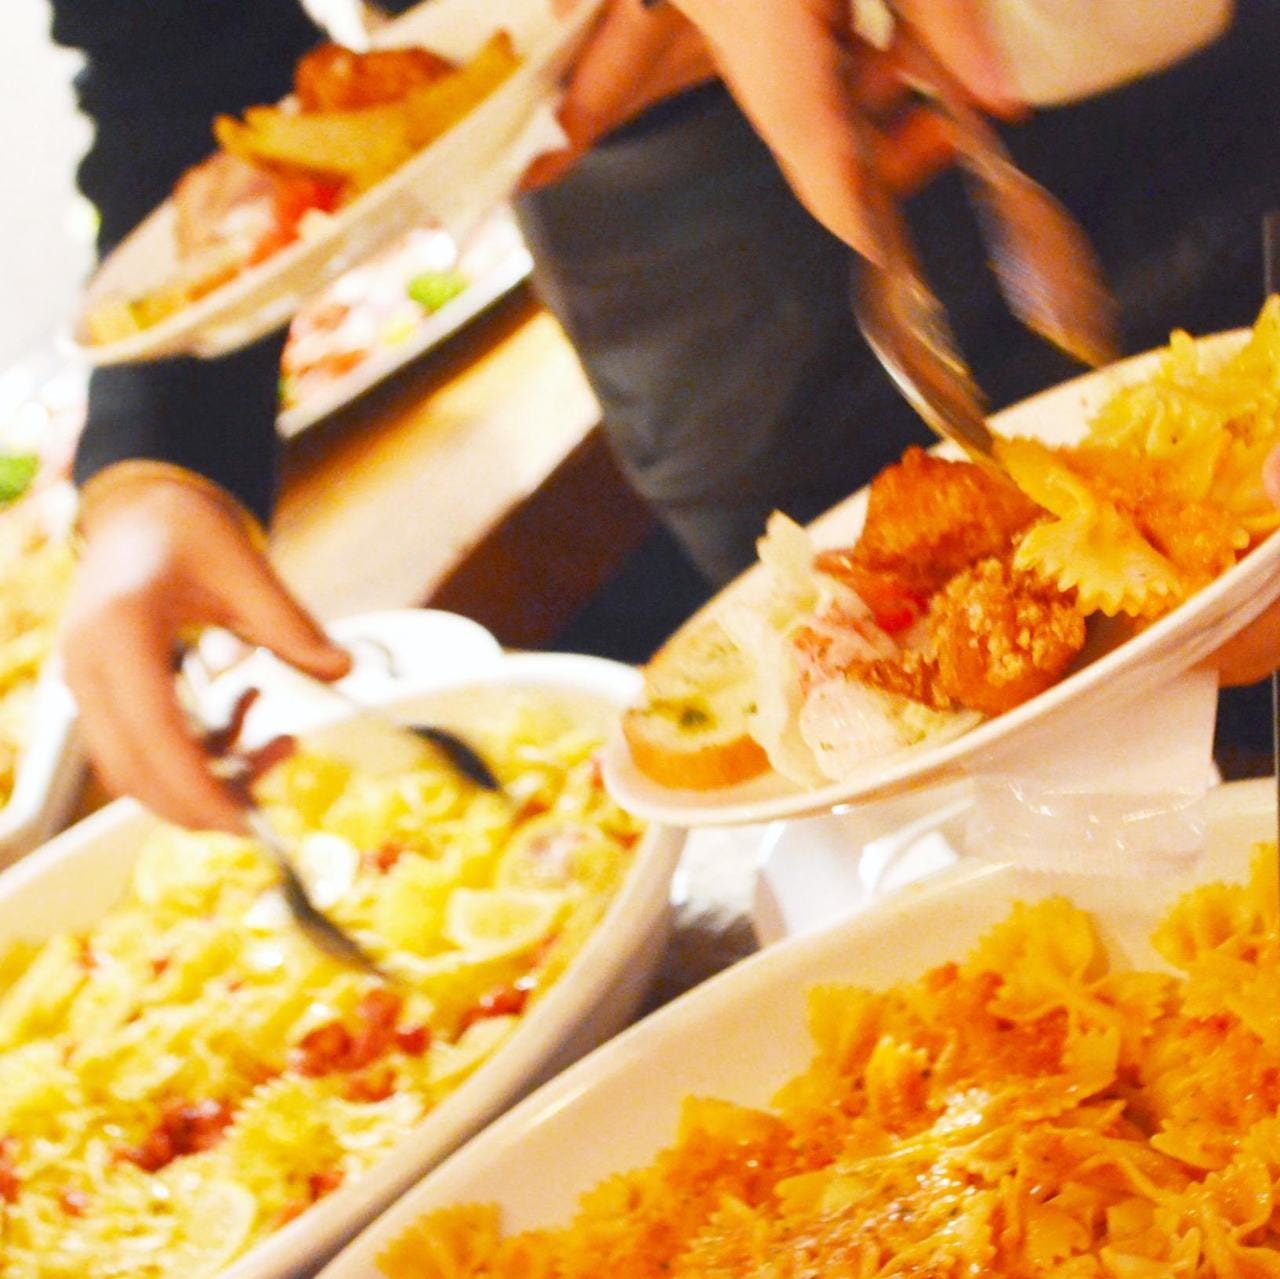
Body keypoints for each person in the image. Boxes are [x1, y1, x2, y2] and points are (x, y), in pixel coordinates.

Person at [57, 0, 1280, 831]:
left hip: (1158, 88)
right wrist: (159, 451)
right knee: (984, 854)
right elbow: (170, 43)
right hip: (715, 287)